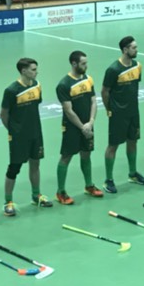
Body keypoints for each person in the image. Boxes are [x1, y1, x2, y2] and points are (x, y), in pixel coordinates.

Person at [0, 57, 52, 216]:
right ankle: (8, 202)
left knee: (35, 163)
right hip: (18, 136)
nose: (37, 72)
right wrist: (13, 131)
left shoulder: (37, 85)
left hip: (35, 132)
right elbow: (3, 114)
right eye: (33, 69)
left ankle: (36, 195)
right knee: (14, 168)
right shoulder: (11, 90)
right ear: (23, 71)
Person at [102, 36, 144, 195]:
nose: (136, 50)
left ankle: (133, 173)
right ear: (125, 50)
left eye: (136, 47)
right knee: (113, 145)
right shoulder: (113, 69)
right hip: (118, 114)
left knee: (133, 141)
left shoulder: (137, 66)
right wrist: (110, 109)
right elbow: (105, 91)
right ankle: (109, 180)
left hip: (133, 112)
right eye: (133, 47)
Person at [55, 50, 103, 204]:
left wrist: (91, 122)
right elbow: (68, 111)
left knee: (86, 154)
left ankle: (89, 185)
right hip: (72, 127)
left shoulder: (88, 79)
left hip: (88, 125)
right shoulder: (64, 85)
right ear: (74, 63)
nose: (86, 66)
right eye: (83, 63)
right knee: (66, 157)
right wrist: (83, 127)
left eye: (86, 63)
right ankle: (61, 191)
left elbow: (93, 102)